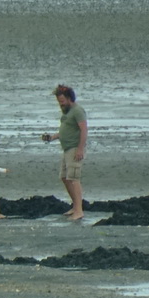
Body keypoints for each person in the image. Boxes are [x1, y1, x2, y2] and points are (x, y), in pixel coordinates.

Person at [41, 84, 88, 221]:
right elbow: (64, 131)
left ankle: (79, 211)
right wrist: (51, 137)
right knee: (64, 177)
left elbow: (84, 130)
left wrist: (80, 149)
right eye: (58, 101)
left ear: (69, 98)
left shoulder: (78, 111)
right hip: (66, 149)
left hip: (74, 148)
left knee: (74, 178)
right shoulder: (67, 113)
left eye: (62, 101)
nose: (60, 104)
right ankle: (75, 206)